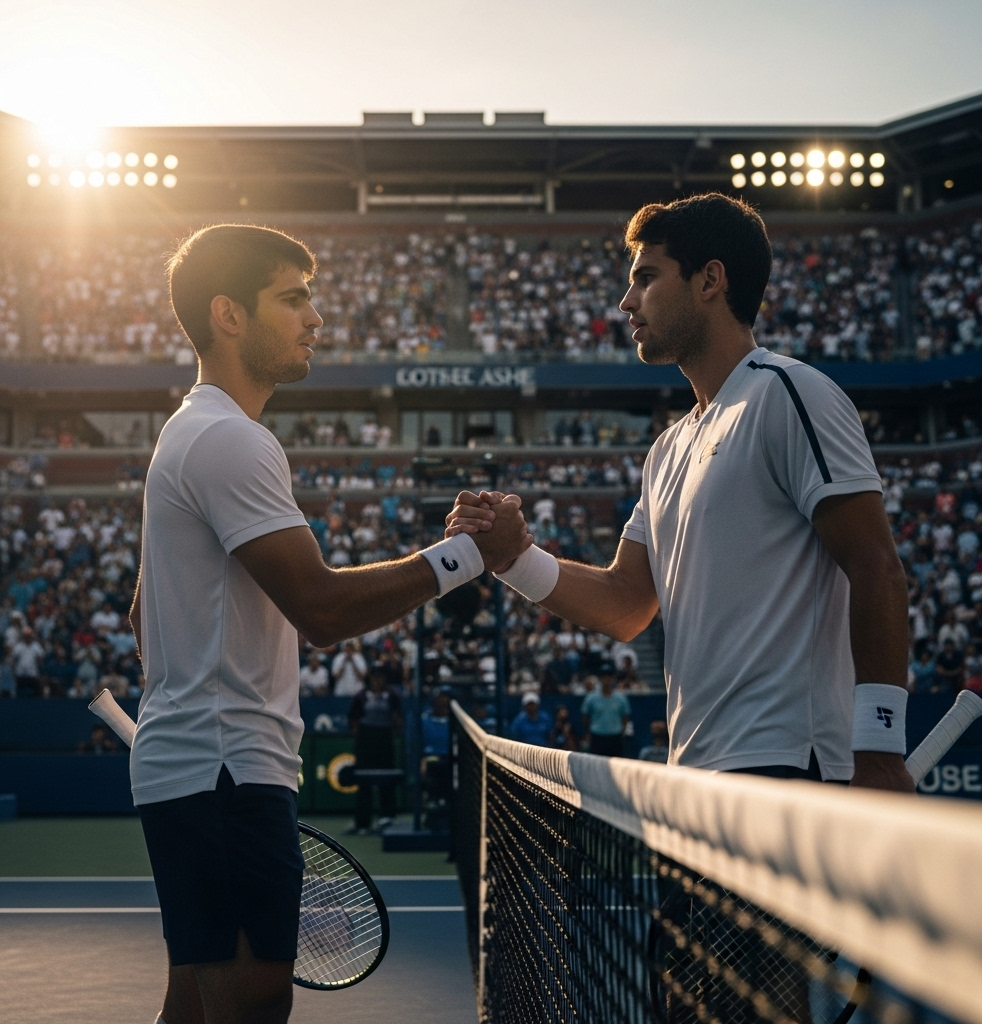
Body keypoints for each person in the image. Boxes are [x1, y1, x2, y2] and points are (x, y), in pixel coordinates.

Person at [128, 224, 530, 1024]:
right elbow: (320, 609)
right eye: (293, 297)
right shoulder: (229, 440)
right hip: (225, 773)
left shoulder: (189, 432)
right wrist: (465, 558)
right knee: (247, 1006)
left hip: (206, 768)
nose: (315, 318)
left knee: (197, 1008)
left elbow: (146, 612)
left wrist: (186, 702)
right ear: (228, 315)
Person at [445, 193, 915, 795]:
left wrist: (879, 749)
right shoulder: (666, 448)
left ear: (710, 281)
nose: (626, 301)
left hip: (792, 763)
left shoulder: (792, 393)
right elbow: (625, 605)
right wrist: (511, 560)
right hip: (697, 772)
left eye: (646, 278)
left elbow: (876, 565)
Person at [348, 664, 403, 834]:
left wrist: (391, 732)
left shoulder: (392, 695)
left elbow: (399, 717)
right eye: (374, 677)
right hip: (366, 741)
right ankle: (363, 822)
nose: (377, 681)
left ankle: (387, 818)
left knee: (386, 778)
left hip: (385, 740)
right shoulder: (361, 696)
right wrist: (360, 736)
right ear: (369, 679)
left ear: (385, 679)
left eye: (380, 677)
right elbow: (353, 718)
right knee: (364, 781)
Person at [581, 663, 631, 757]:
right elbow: (585, 717)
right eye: (604, 676)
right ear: (600, 679)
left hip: (615, 738)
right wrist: (590, 731)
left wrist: (620, 730)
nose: (607, 679)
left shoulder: (621, 699)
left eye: (609, 676)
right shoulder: (591, 698)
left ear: (613, 678)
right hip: (597, 737)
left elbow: (625, 717)